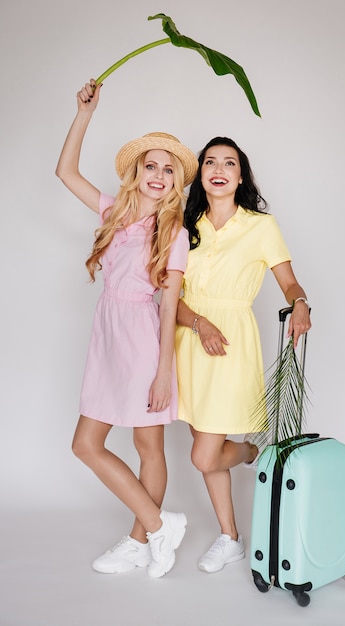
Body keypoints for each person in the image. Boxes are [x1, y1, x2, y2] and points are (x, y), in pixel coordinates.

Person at [55, 79, 198, 578]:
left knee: (147, 446)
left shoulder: (173, 232)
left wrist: (163, 373)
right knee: (86, 444)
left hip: (142, 337)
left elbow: (168, 307)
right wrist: (84, 113)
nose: (158, 174)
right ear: (137, 171)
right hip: (107, 336)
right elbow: (65, 171)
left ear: (177, 181)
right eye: (151, 165)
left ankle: (142, 540)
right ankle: (161, 526)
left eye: (168, 169)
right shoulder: (115, 211)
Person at [175, 137, 311, 573]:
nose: (219, 168)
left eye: (229, 162)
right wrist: (198, 322)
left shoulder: (260, 226)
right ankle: (230, 537)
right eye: (210, 161)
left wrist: (301, 303)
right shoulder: (183, 224)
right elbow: (168, 296)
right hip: (189, 340)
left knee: (203, 454)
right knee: (204, 445)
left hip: (230, 344)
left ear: (240, 174)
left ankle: (252, 453)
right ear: (201, 173)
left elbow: (289, 282)